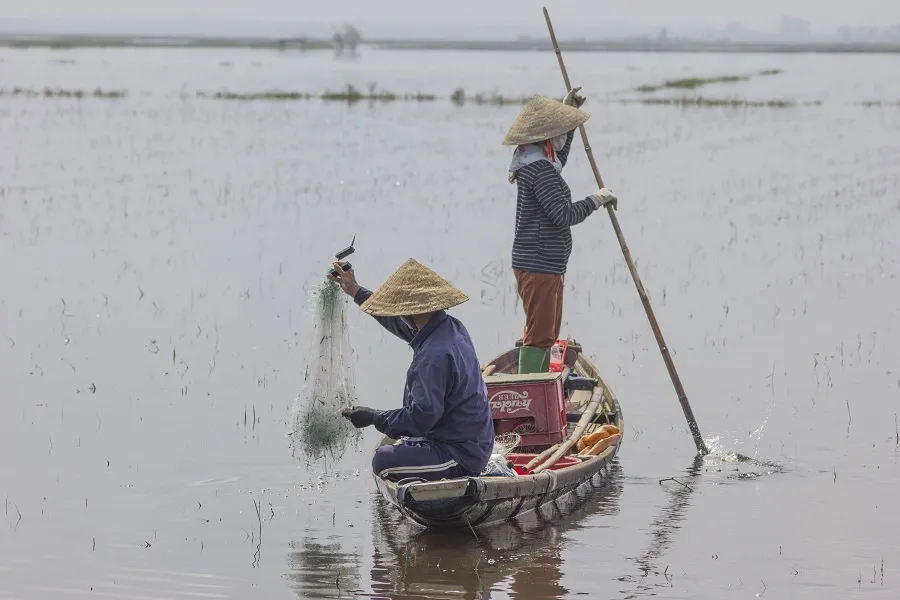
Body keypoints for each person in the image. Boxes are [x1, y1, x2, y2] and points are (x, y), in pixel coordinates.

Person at [329, 257, 495, 483]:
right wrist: (356, 291)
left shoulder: (432, 358)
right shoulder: (449, 327)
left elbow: (421, 419)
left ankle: (449, 479)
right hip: (474, 441)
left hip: (460, 455)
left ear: (408, 313)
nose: (398, 317)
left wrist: (373, 417)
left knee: (383, 461)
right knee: (402, 447)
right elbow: (397, 323)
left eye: (399, 311)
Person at [501, 88, 620, 374]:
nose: (561, 137)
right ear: (545, 138)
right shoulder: (539, 170)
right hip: (539, 264)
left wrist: (570, 112)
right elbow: (563, 214)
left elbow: (559, 158)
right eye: (558, 131)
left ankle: (539, 383)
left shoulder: (536, 160)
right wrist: (596, 200)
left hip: (543, 264)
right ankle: (532, 392)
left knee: (544, 333)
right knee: (541, 338)